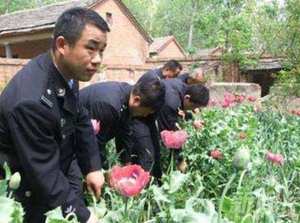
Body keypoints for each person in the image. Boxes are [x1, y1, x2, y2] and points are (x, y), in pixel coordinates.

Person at [0, 7, 109, 223]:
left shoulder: (67, 71)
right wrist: (85, 217)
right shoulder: (30, 101)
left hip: (56, 165)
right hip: (24, 188)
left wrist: (93, 167)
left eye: (102, 50)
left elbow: (79, 117)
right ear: (62, 45)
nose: (97, 59)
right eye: (91, 48)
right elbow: (45, 175)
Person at [79, 78, 165, 169]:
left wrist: (126, 163)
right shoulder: (110, 105)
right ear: (136, 100)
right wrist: (104, 170)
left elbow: (124, 131)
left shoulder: (127, 96)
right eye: (146, 112)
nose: (144, 115)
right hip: (72, 142)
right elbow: (95, 142)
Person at [131, 79, 209, 178]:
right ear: (187, 98)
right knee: (148, 155)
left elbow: (180, 109)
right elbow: (171, 137)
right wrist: (180, 160)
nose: (193, 110)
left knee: (154, 153)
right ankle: (141, 186)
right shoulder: (171, 102)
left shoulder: (181, 87)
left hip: (148, 114)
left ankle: (156, 181)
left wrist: (192, 119)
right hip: (138, 115)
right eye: (193, 106)